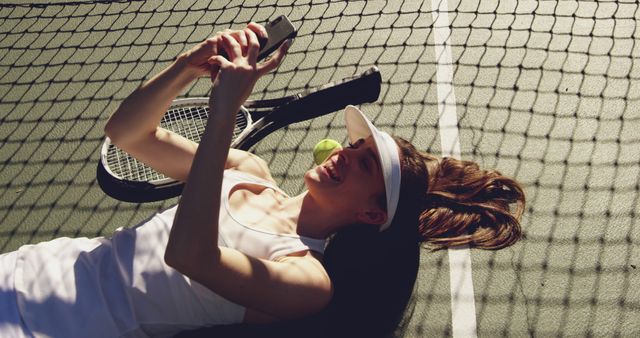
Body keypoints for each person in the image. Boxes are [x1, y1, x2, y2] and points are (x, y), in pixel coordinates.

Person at [0, 23, 525, 338]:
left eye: (364, 165)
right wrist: (189, 65)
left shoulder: (307, 282)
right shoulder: (247, 172)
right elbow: (127, 134)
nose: (344, 154)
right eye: (354, 147)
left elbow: (190, 255)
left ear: (371, 214)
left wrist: (224, 113)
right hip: (35, 267)